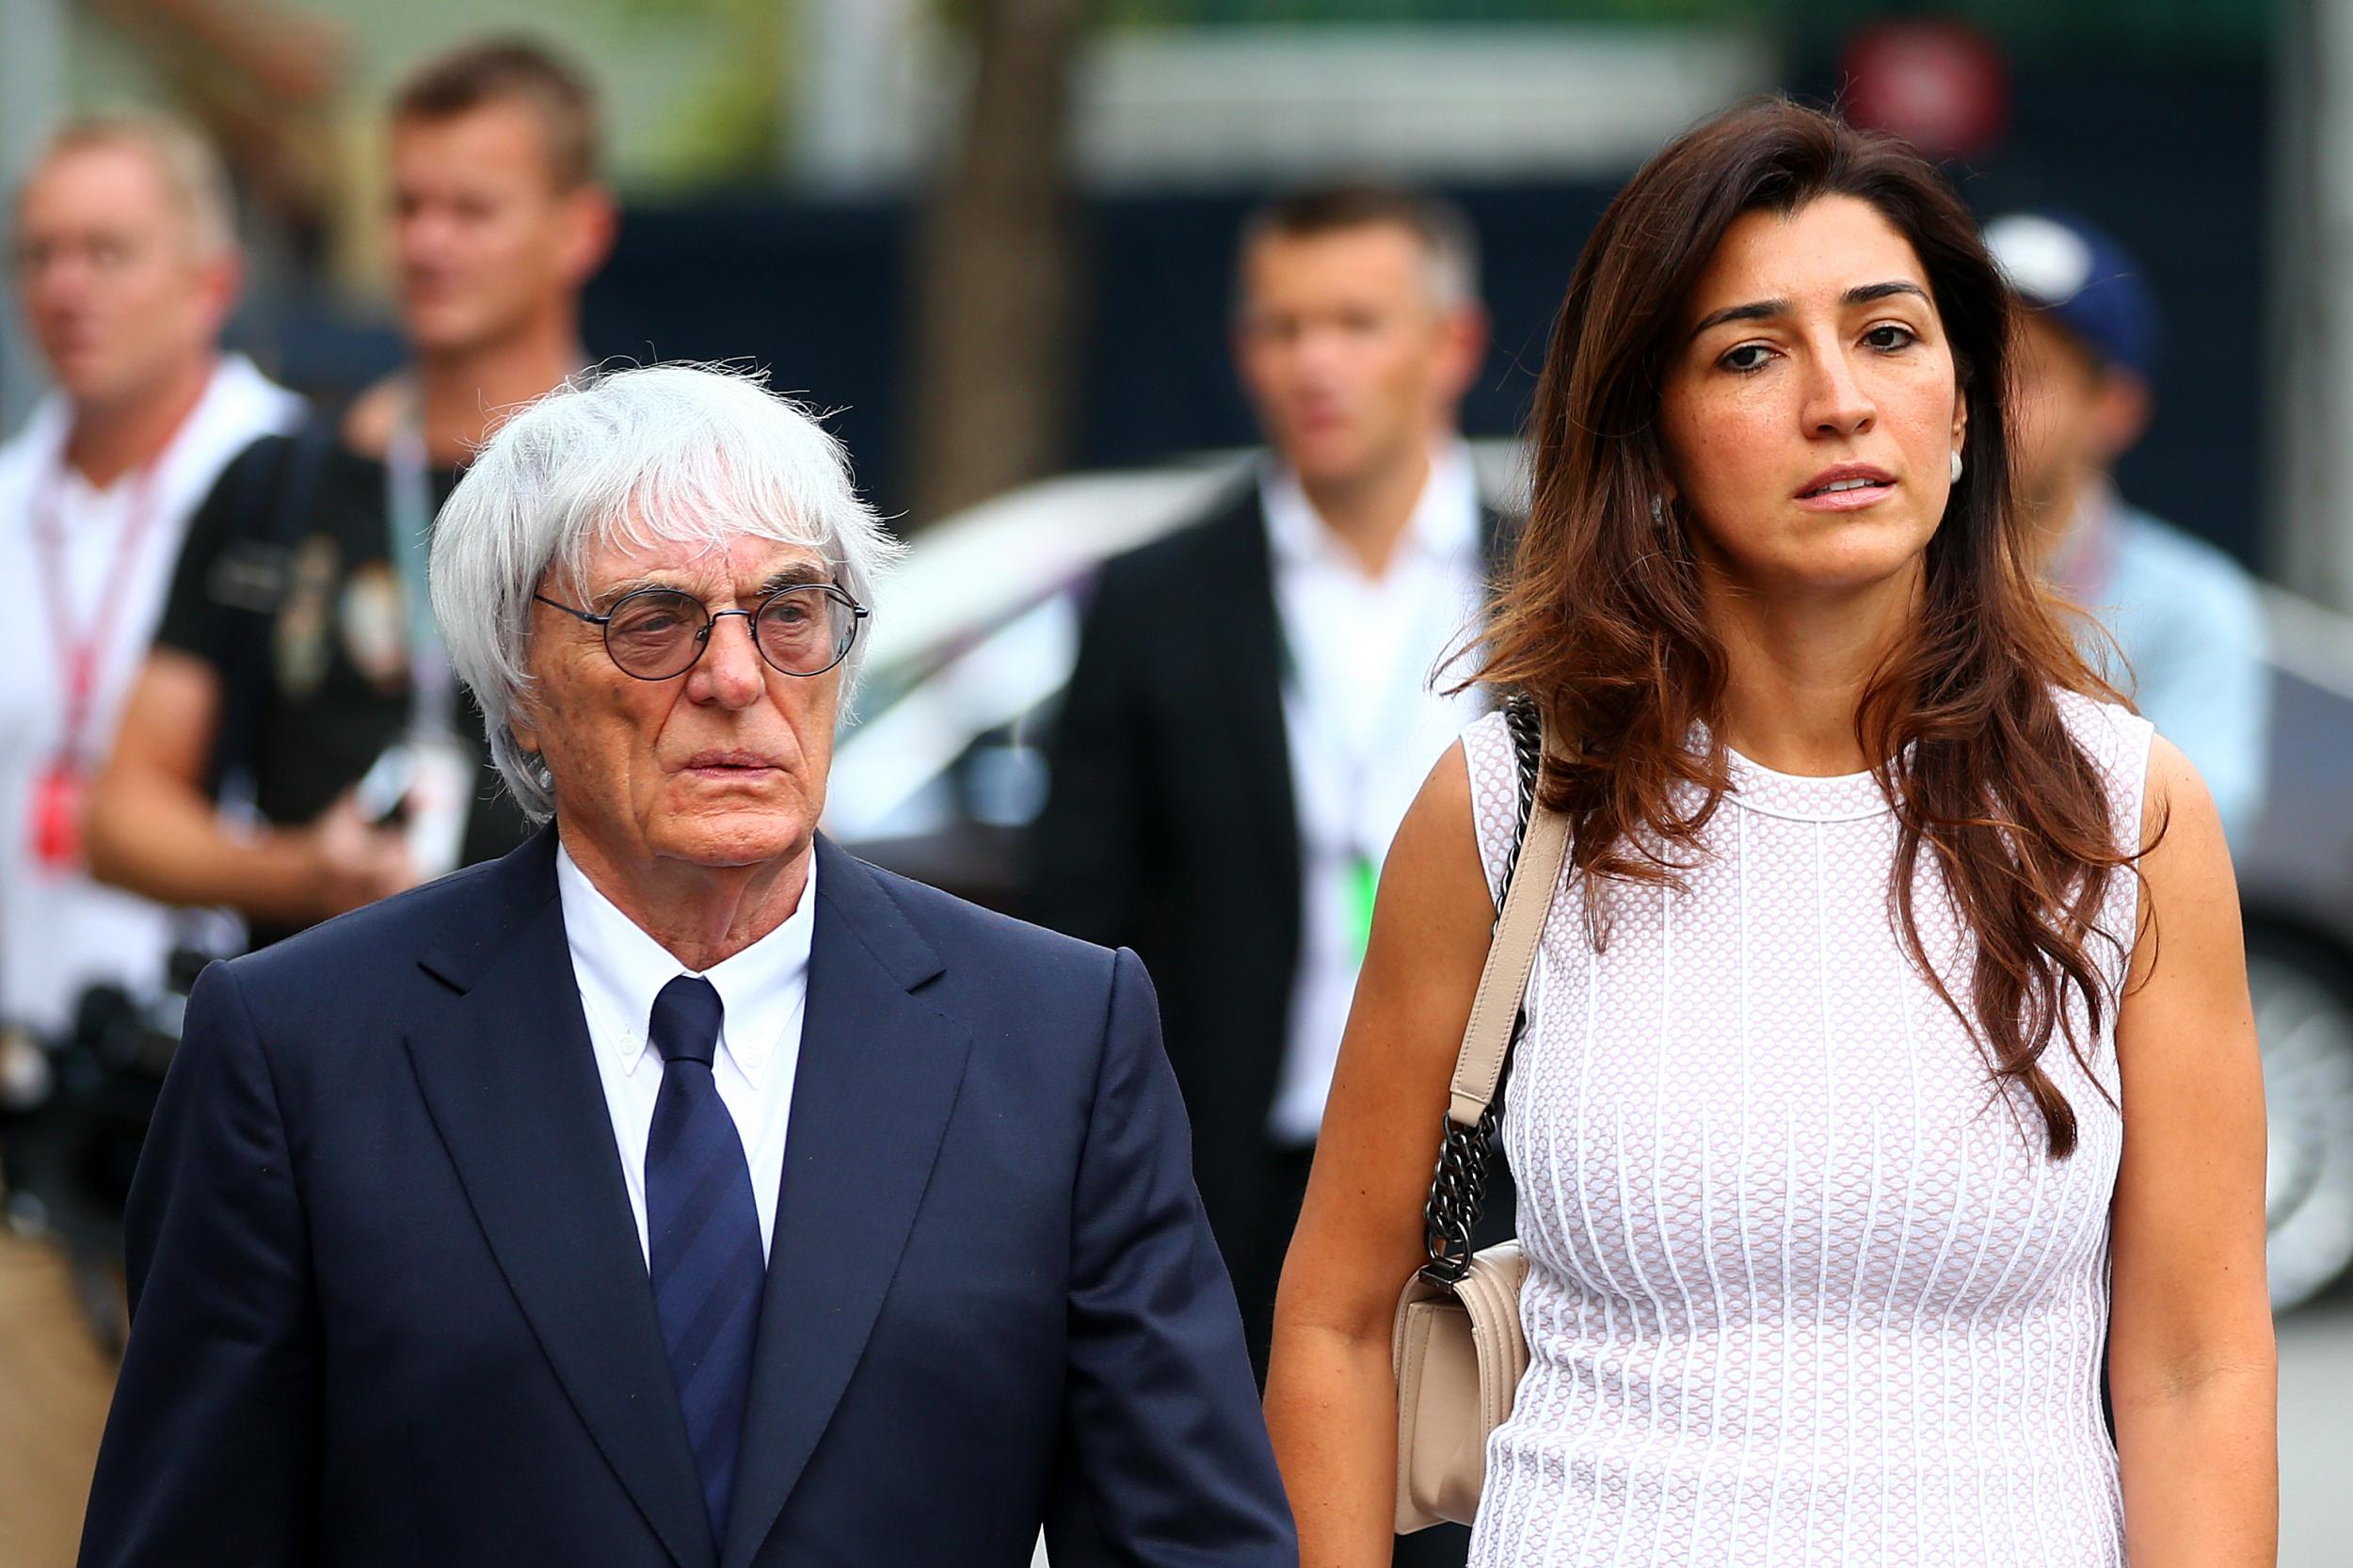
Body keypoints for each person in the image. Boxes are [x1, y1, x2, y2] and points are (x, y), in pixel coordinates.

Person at [1265, 100, 2275, 1566]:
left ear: (1968, 404)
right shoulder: (1509, 804)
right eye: (1750, 352)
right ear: (1651, 438)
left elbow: (2199, 1368)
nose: (1839, 401)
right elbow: (1338, 1321)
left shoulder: (2125, 812)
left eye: (1888, 335)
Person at [75, 364, 1297, 1567]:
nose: (733, 677)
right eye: (652, 622)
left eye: (789, 614)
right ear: (518, 684)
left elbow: (1190, 1539)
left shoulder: (1057, 1037)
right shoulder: (296, 1055)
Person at [1029, 184, 1504, 1387]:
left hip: (1511, 1177)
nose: (1313, 363)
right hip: (1234, 1181)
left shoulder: (1559, 584)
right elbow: (1079, 915)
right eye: (1281, 329)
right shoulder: (1154, 599)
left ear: (1453, 344)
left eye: (1354, 322)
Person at [85, 38, 616, 949]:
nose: (425, 242)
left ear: (579, 230)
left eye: (471, 210)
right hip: (321, 1046)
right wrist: (298, 872)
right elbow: (123, 817)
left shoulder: (648, 489)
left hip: (572, 1046)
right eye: (406, 206)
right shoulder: (276, 479)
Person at [0, 115, 300, 1056]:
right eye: (38, 254)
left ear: (212, 281)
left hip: (225, 1057)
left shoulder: (299, 491)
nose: (64, 288)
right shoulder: (10, 498)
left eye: (107, 253)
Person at [1985, 209, 2271, 845]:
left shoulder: (2195, 606)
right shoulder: (1878, 572)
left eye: (2024, 374)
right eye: (1969, 365)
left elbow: (2194, 840)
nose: (1984, 400)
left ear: (2115, 409)